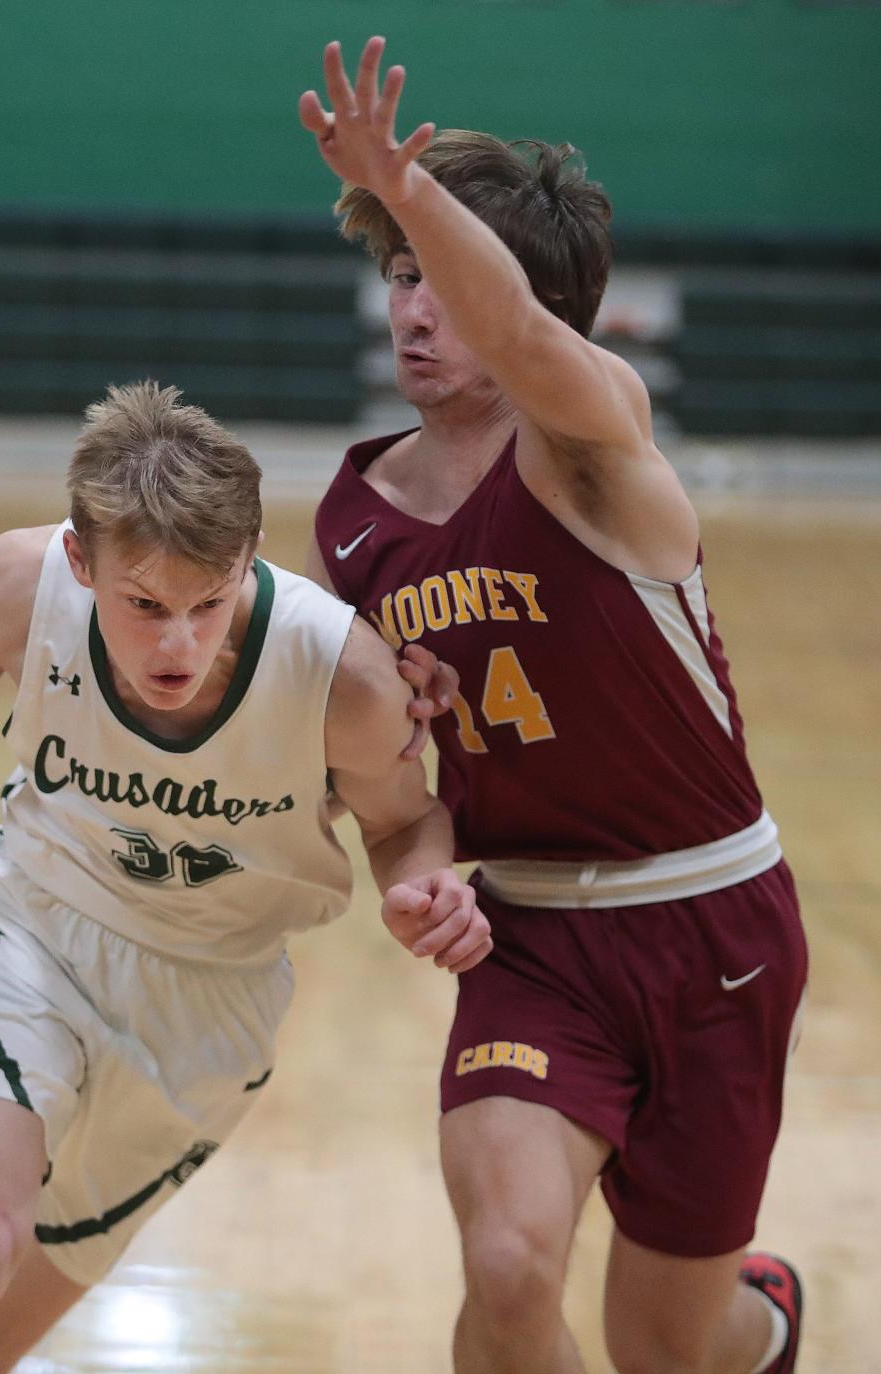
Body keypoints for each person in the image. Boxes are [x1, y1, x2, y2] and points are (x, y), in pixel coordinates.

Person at [0, 380, 493, 1374]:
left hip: (210, 1000)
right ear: (83, 560)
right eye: (145, 605)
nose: (177, 642)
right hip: (26, 933)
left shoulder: (343, 677)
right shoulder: (23, 584)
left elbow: (407, 819)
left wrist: (423, 888)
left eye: (209, 605)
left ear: (249, 562)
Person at [299, 37, 807, 1374]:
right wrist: (412, 872)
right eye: (400, 279)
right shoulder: (351, 525)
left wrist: (412, 194)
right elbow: (387, 784)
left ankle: (755, 1325)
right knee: (509, 1261)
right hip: (530, 942)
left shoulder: (592, 441)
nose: (413, 309)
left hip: (711, 928)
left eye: (442, 285)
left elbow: (519, 332)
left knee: (665, 1349)